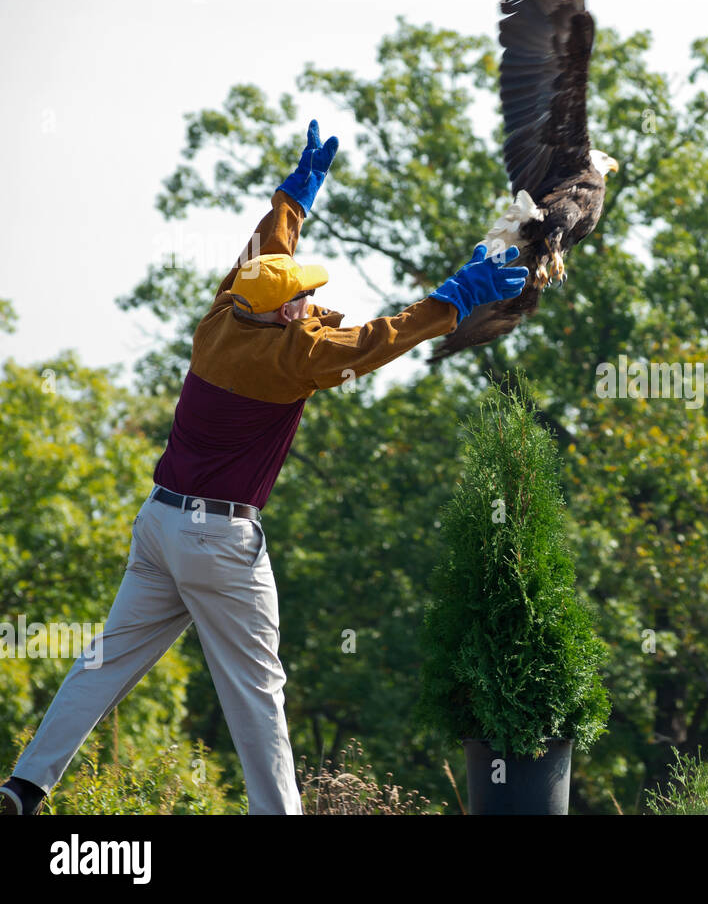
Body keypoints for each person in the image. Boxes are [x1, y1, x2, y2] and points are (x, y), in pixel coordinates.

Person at [0, 120, 527, 815]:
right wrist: (453, 300)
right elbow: (373, 342)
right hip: (219, 542)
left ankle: (25, 784)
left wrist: (296, 194)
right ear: (284, 315)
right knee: (256, 688)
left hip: (159, 525)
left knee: (103, 663)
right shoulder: (294, 355)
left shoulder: (223, 316)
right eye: (302, 297)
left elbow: (263, 256)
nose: (311, 300)